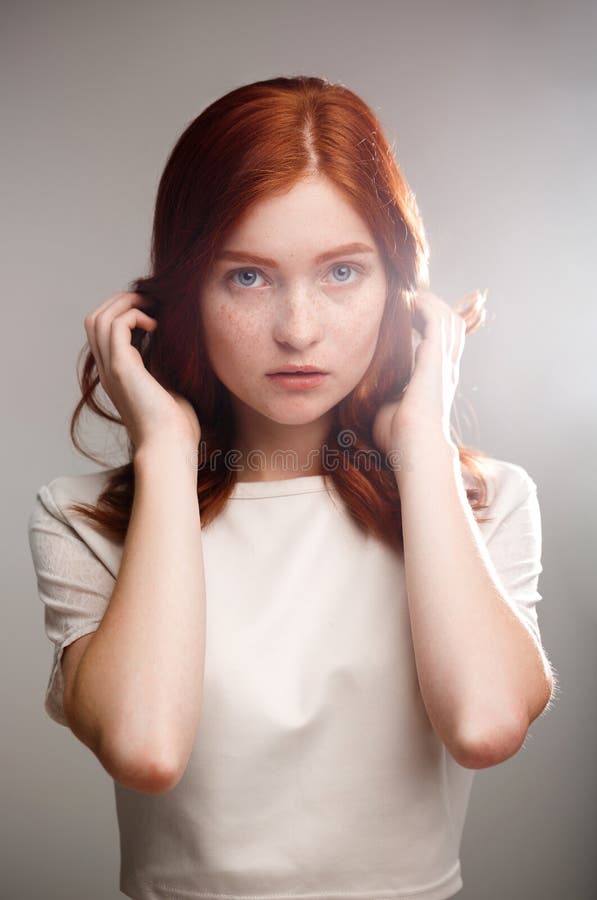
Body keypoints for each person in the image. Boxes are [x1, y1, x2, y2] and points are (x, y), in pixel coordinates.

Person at [27, 75, 557, 900]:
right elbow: (147, 748)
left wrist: (419, 442)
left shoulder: (483, 504)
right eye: (247, 277)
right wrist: (166, 450)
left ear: (402, 292)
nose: (298, 329)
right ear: (180, 295)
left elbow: (485, 726)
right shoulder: (85, 519)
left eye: (343, 273)